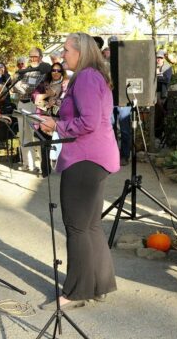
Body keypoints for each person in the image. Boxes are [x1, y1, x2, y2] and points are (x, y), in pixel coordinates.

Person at [37, 33, 119, 309]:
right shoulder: (94, 76)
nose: (63, 55)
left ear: (81, 51)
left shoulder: (85, 77)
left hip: (84, 159)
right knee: (91, 225)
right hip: (96, 157)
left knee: (77, 228)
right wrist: (56, 121)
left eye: (67, 50)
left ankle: (76, 292)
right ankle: (100, 284)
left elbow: (89, 122)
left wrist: (56, 127)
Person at [14, 47, 50, 173]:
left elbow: (30, 87)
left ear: (40, 56)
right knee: (23, 135)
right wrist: (20, 85)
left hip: (34, 105)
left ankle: (41, 165)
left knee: (36, 134)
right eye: (30, 56)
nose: (32, 59)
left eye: (35, 56)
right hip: (21, 104)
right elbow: (15, 86)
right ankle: (27, 164)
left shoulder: (43, 70)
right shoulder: (26, 70)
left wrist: (19, 85)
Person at [155, 50, 173, 139]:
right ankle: (155, 134)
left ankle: (159, 134)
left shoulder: (167, 67)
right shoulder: (152, 66)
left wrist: (156, 76)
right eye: (157, 57)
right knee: (154, 114)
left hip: (161, 93)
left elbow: (167, 79)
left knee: (161, 113)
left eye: (160, 58)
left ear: (163, 59)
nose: (158, 59)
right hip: (152, 93)